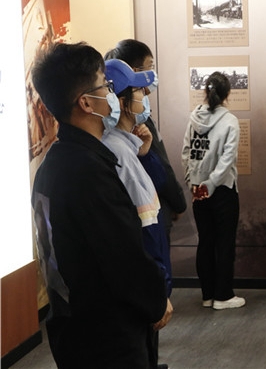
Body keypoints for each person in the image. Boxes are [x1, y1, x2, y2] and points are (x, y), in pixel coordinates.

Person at [30, 42, 168, 369]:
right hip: (106, 335)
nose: (111, 94)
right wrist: (156, 301)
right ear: (86, 102)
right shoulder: (88, 171)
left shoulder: (55, 164)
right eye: (105, 86)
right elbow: (122, 253)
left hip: (75, 325)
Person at [102, 59, 173, 369]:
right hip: (144, 288)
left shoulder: (128, 146)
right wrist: (158, 291)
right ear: (122, 102)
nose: (145, 97)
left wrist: (144, 150)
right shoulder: (117, 150)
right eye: (139, 92)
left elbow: (155, 186)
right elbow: (145, 231)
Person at [105, 39, 187, 245]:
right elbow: (160, 171)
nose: (144, 91)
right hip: (150, 217)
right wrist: (178, 202)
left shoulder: (137, 122)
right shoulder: (120, 141)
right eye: (150, 66)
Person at [181, 72, 245, 310]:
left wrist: (193, 182)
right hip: (223, 190)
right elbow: (227, 159)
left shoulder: (194, 118)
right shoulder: (230, 121)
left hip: (198, 190)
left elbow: (186, 152)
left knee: (205, 242)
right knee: (224, 243)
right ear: (227, 94)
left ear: (205, 92)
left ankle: (207, 295)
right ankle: (223, 296)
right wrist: (212, 184)